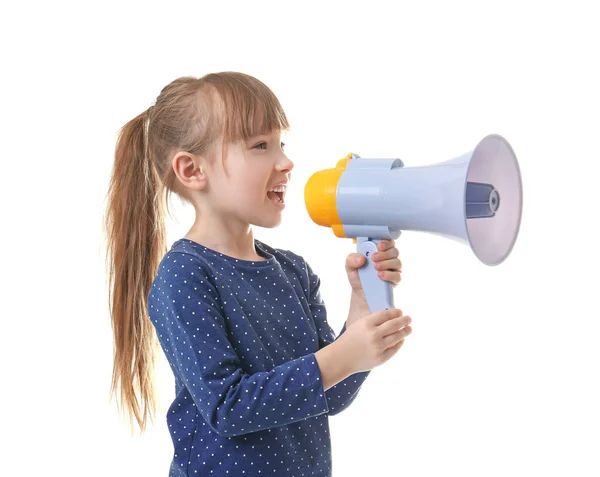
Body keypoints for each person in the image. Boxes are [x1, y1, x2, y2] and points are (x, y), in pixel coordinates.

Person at [103, 71, 412, 476]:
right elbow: (227, 406)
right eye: (260, 145)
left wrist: (362, 310)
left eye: (280, 143)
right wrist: (344, 354)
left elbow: (329, 394)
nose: (285, 161)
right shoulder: (185, 276)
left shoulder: (292, 270)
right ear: (192, 171)